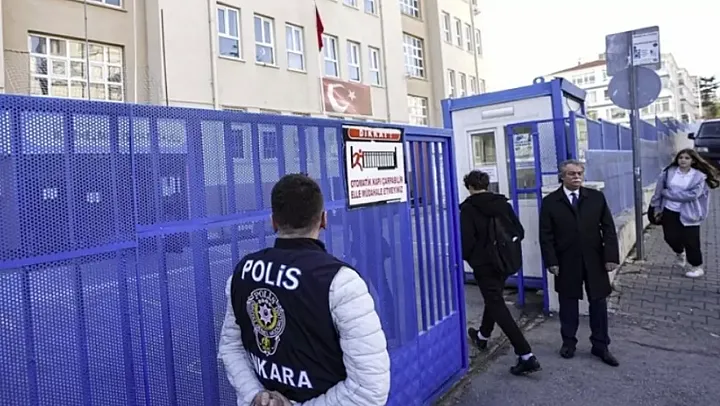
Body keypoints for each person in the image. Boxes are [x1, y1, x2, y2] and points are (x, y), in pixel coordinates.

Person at [218, 173, 391, 406]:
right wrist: (258, 396)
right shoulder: (340, 282)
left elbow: (230, 347)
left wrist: (256, 396)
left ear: (273, 222)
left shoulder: (242, 273)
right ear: (324, 220)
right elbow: (370, 389)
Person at [539, 159, 620, 367]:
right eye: (572, 174)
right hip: (566, 260)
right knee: (568, 303)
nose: (576, 177)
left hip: (594, 259)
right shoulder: (551, 202)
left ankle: (600, 345)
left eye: (579, 173)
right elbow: (546, 236)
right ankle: (568, 343)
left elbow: (608, 229)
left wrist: (611, 257)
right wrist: (551, 261)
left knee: (598, 302)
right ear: (562, 177)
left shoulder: (595, 198)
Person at [459, 170, 541, 376]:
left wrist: (473, 259)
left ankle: (525, 354)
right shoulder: (503, 204)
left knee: (495, 303)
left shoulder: (468, 209)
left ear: (469, 187)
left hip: (484, 265)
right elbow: (519, 231)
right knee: (493, 298)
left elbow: (466, 242)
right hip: (504, 262)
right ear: (487, 185)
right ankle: (482, 336)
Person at [649, 148, 719, 278]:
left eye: (687, 158)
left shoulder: (698, 177)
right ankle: (680, 252)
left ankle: (697, 267)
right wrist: (656, 207)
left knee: (691, 241)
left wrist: (668, 194)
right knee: (670, 237)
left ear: (693, 161)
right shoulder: (669, 172)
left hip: (690, 214)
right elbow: (659, 191)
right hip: (669, 210)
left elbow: (692, 195)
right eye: (681, 157)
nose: (683, 160)